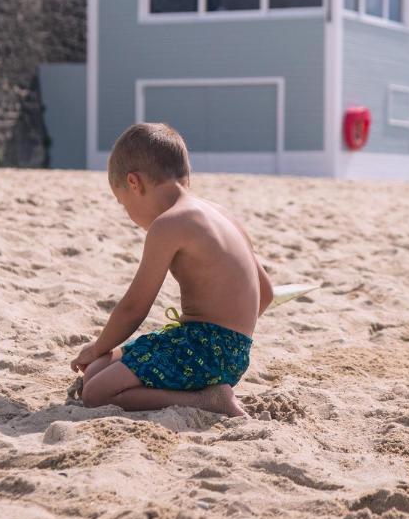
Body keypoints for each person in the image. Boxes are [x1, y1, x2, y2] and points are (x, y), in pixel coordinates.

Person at [71, 123, 274, 417]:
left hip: (202, 347)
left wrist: (98, 346)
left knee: (95, 393)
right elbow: (265, 293)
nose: (128, 214)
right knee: (96, 373)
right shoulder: (221, 213)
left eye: (123, 203)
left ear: (134, 183)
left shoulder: (168, 224)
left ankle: (207, 400)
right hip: (231, 351)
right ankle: (199, 388)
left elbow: (134, 308)